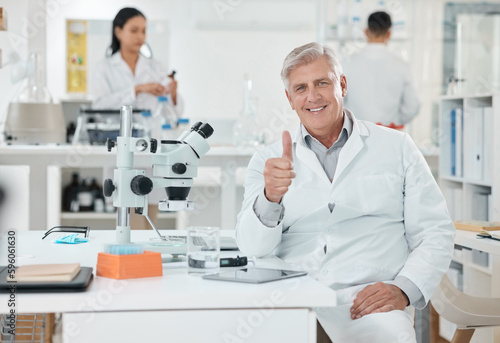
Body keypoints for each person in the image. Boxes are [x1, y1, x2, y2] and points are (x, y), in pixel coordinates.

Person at [235, 42, 454, 342]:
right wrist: (270, 197)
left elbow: (435, 231)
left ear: (343, 84)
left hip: (369, 300)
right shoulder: (267, 160)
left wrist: (404, 288)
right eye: (300, 88)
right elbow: (251, 247)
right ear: (290, 98)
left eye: (322, 83)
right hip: (295, 294)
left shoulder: (397, 147)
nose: (312, 96)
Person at [91, 7, 183, 115]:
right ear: (118, 31)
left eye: (143, 31)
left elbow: (175, 114)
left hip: (151, 131)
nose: (140, 37)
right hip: (116, 131)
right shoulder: (103, 68)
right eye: (134, 31)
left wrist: (172, 94)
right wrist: (136, 90)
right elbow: (99, 108)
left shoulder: (156, 66)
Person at [342, 11, 419, 128]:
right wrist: (396, 122)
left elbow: (339, 102)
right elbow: (412, 106)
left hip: (356, 133)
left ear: (366, 31)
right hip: (391, 133)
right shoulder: (402, 65)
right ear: (389, 34)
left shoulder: (347, 63)